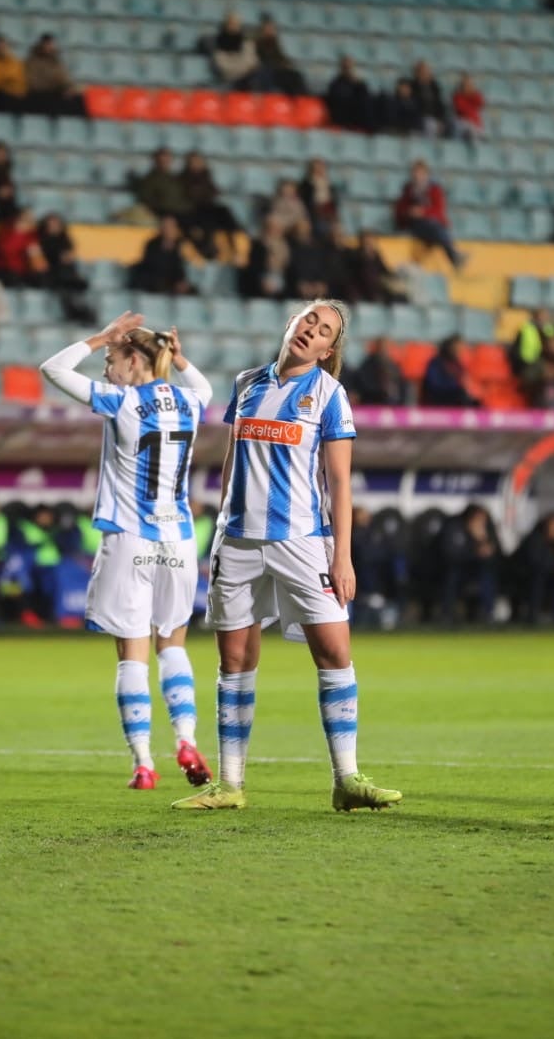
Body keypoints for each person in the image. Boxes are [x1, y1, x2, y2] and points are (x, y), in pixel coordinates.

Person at [172, 299, 401, 812]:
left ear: (328, 349)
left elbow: (340, 481)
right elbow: (234, 457)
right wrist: (222, 528)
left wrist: (343, 556)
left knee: (335, 653)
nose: (313, 331)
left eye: (325, 330)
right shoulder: (247, 383)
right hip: (237, 541)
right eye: (309, 321)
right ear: (292, 324)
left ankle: (347, 778)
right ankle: (230, 784)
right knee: (234, 660)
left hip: (302, 542)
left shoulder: (329, 394)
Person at [39, 312, 217, 789]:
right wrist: (179, 361)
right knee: (172, 646)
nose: (106, 366)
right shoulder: (190, 401)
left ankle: (143, 762)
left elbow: (52, 370)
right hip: (178, 541)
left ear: (134, 359)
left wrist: (97, 338)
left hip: (129, 536)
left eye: (113, 359)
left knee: (131, 654)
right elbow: (206, 389)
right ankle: (186, 739)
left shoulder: (119, 401)